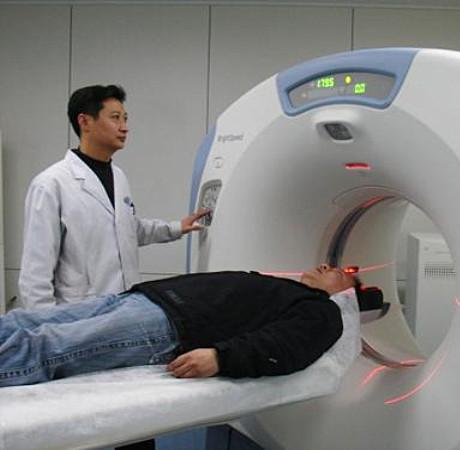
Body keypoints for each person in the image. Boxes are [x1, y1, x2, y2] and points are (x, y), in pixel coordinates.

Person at [0, 264, 362, 388]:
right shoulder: (286, 289)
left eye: (340, 272)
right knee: (23, 320)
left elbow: (285, 346)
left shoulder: (322, 312)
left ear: (348, 294)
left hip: (165, 325)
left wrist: (220, 357)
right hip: (145, 299)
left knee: (48, 346)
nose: (327, 267)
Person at [18, 84, 207, 309]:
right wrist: (47, 326)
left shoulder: (118, 177)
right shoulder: (51, 184)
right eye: (115, 118)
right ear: (85, 122)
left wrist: (176, 228)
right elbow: (35, 276)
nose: (124, 127)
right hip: (79, 315)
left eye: (125, 119)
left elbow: (127, 229)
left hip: (124, 307)